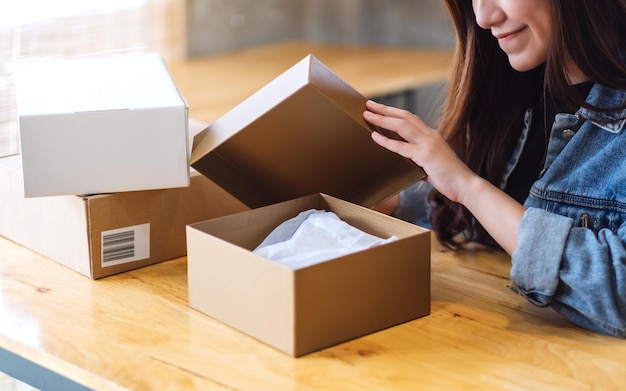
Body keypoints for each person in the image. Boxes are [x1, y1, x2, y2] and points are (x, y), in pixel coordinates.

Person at [363, 0, 626, 338]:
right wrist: (393, 202)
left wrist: (468, 187)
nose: (484, 17)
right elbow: (492, 218)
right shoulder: (512, 85)